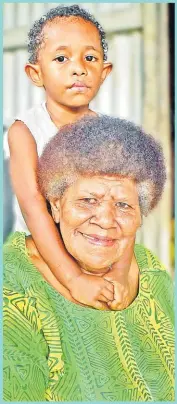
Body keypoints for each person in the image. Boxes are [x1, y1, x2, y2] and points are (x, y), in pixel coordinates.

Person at [3, 115, 174, 402]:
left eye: (123, 205)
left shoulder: (148, 269)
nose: (106, 221)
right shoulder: (13, 289)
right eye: (88, 201)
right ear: (55, 205)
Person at [6, 4, 114, 309]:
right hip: (41, 245)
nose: (78, 68)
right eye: (61, 58)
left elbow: (122, 204)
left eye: (89, 58)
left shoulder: (109, 133)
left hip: (91, 246)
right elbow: (33, 207)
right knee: (62, 306)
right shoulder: (24, 131)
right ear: (35, 73)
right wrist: (74, 278)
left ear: (104, 71)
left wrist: (117, 270)